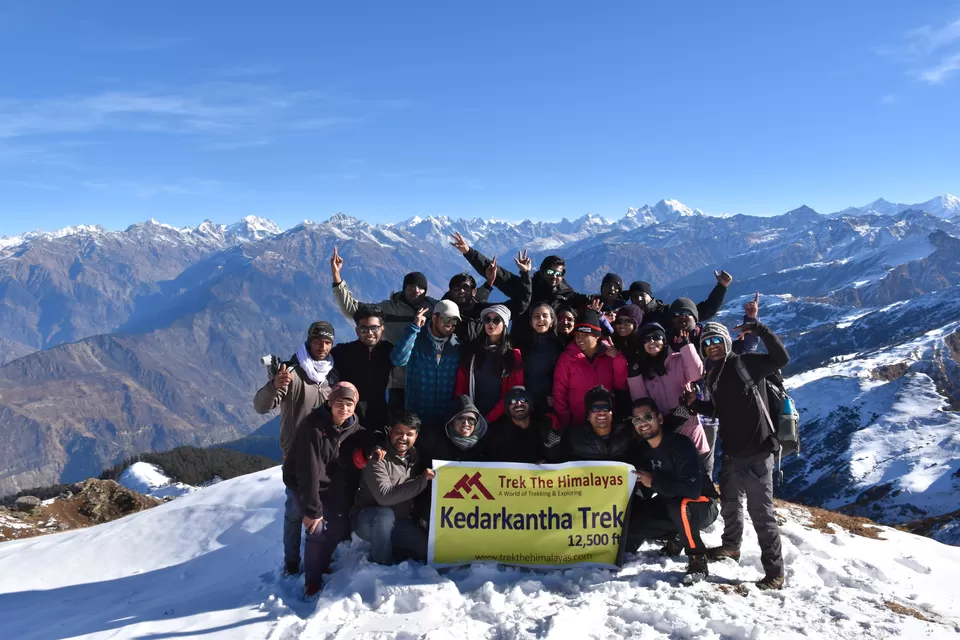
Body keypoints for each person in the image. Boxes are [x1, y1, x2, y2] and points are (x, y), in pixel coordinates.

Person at [688, 320, 790, 591]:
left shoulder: (747, 363)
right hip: (732, 453)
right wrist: (696, 405)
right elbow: (722, 410)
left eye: (717, 340)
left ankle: (775, 573)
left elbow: (782, 358)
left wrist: (762, 330)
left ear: (727, 341)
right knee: (731, 503)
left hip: (758, 453)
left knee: (761, 514)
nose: (712, 346)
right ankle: (731, 547)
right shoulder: (714, 374)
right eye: (707, 343)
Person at [253, 320, 338, 577]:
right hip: (296, 455)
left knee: (326, 509)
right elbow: (261, 406)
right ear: (308, 341)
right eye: (317, 341)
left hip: (326, 455)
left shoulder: (333, 375)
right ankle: (292, 563)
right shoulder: (291, 372)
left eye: (327, 342)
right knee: (294, 510)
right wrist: (274, 385)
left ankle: (321, 558)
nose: (322, 347)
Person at [282, 382, 374, 597]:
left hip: (327, 484)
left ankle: (320, 563)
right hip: (302, 481)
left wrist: (373, 448)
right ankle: (311, 581)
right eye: (340, 402)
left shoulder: (351, 424)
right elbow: (308, 471)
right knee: (318, 528)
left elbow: (362, 434)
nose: (344, 408)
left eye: (349, 403)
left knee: (338, 526)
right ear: (329, 402)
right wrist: (312, 510)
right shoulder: (313, 426)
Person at [625, 398, 719, 585]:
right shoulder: (642, 451)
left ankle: (697, 561)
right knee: (634, 520)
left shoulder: (680, 444)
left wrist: (653, 481)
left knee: (680, 505)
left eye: (647, 417)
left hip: (702, 504)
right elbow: (646, 489)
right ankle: (677, 536)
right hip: (670, 502)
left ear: (659, 418)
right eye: (637, 420)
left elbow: (692, 491)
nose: (642, 423)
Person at [330, 247, 437, 410]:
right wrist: (337, 278)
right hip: (398, 381)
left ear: (426, 290)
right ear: (404, 288)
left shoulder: (435, 309)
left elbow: (459, 312)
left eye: (420, 288)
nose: (415, 291)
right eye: (410, 287)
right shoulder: (388, 308)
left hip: (426, 378)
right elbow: (353, 309)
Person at [451, 232, 583, 344]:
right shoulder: (527, 286)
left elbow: (592, 301)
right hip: (521, 345)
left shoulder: (567, 295)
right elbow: (498, 274)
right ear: (542, 272)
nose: (554, 276)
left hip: (551, 349)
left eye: (558, 273)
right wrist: (469, 252)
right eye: (550, 272)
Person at [351, 411, 434, 564]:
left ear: (416, 436)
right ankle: (380, 563)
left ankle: (394, 548)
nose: (403, 438)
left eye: (409, 434)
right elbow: (385, 496)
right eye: (399, 432)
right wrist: (421, 480)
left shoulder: (415, 456)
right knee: (384, 515)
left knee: (427, 551)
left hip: (400, 521)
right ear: (389, 431)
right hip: (368, 521)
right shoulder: (376, 457)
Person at [626, 322, 710, 459]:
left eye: (656, 337)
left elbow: (697, 375)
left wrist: (686, 347)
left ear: (664, 340)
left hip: (690, 428)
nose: (652, 342)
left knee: (702, 475)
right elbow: (640, 400)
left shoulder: (678, 358)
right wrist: (633, 373)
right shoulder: (642, 368)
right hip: (663, 432)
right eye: (646, 339)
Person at [389, 301, 462, 431]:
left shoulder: (457, 345)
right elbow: (398, 360)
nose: (450, 324)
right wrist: (414, 329)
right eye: (446, 318)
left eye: (454, 321)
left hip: (444, 420)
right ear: (434, 318)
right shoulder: (416, 337)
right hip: (415, 417)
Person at [552, 309, 628, 429]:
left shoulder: (609, 356)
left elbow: (620, 385)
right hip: (578, 423)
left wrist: (617, 358)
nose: (580, 338)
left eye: (585, 335)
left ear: (597, 336)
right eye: (577, 335)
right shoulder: (567, 358)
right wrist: (565, 423)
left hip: (606, 420)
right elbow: (559, 393)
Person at [454, 304, 524, 423]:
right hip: (471, 418)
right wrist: (466, 412)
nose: (491, 323)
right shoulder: (473, 351)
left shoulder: (513, 355)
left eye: (496, 320)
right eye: (487, 320)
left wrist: (489, 419)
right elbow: (461, 385)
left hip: (501, 419)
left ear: (505, 325)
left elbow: (513, 392)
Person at [331, 305, 394, 432]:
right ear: (357, 331)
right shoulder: (343, 351)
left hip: (380, 419)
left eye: (374, 328)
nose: (369, 333)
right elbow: (316, 357)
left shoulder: (388, 350)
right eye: (364, 328)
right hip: (348, 418)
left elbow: (406, 355)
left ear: (382, 329)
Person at [628, 270, 732, 328]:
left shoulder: (668, 311)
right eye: (634, 296)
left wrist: (721, 287)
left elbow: (705, 310)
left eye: (642, 294)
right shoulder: (628, 316)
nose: (639, 298)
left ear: (650, 296)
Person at [489, 386, 563, 464]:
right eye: (513, 401)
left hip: (541, 475)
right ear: (508, 408)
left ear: (530, 405)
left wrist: (548, 463)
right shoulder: (498, 432)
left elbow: (559, 455)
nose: (519, 404)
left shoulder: (545, 426)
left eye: (523, 400)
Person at [516, 302, 566, 413]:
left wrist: (556, 397)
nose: (540, 319)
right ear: (531, 322)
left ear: (552, 321)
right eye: (536, 316)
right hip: (524, 404)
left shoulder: (559, 346)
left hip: (549, 405)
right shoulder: (523, 345)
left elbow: (563, 378)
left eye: (545, 316)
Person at [416, 395, 492, 466]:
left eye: (471, 420)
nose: (466, 423)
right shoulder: (433, 442)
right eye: (460, 418)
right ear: (451, 421)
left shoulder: (484, 445)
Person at [564, 386, 632, 461]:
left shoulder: (627, 433)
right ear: (588, 415)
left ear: (611, 412)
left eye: (606, 407)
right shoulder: (573, 439)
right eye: (595, 408)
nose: (602, 412)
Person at [444, 272, 492, 343]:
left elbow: (507, 307)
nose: (461, 291)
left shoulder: (482, 312)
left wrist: (489, 282)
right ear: (450, 292)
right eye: (456, 289)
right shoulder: (442, 312)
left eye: (466, 289)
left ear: (474, 292)